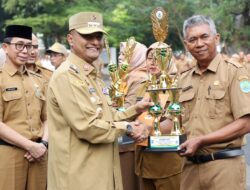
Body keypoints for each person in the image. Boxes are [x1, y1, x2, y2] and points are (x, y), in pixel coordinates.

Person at [47, 12, 152, 190]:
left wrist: (136, 109)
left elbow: (108, 116)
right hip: (78, 177)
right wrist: (128, 128)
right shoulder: (67, 76)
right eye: (87, 36)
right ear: (70, 39)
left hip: (99, 173)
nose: (95, 42)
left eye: (98, 36)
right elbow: (88, 126)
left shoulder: (92, 75)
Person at [179, 15, 250, 190]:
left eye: (204, 37)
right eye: (192, 39)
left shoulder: (234, 72)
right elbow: (174, 121)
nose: (199, 44)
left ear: (216, 38)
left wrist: (202, 140)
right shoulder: (183, 79)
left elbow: (246, 123)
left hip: (224, 167)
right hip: (190, 168)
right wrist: (146, 128)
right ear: (186, 45)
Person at [0, 25, 48, 190]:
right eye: (19, 45)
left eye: (29, 46)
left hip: (39, 155)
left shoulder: (38, 80)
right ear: (5, 47)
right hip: (10, 154)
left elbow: (48, 118)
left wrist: (44, 144)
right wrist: (30, 146)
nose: (25, 50)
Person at [134, 42, 183, 190]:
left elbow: (173, 122)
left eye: (158, 57)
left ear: (168, 59)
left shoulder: (177, 85)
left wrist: (143, 130)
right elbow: (136, 113)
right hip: (144, 159)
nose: (153, 62)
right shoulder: (144, 85)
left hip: (166, 162)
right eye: (149, 58)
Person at [117, 40, 148, 190]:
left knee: (129, 183)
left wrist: (110, 111)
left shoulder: (139, 78)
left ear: (136, 56)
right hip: (124, 138)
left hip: (129, 142)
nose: (120, 57)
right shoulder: (127, 77)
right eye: (120, 53)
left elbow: (129, 109)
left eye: (125, 54)